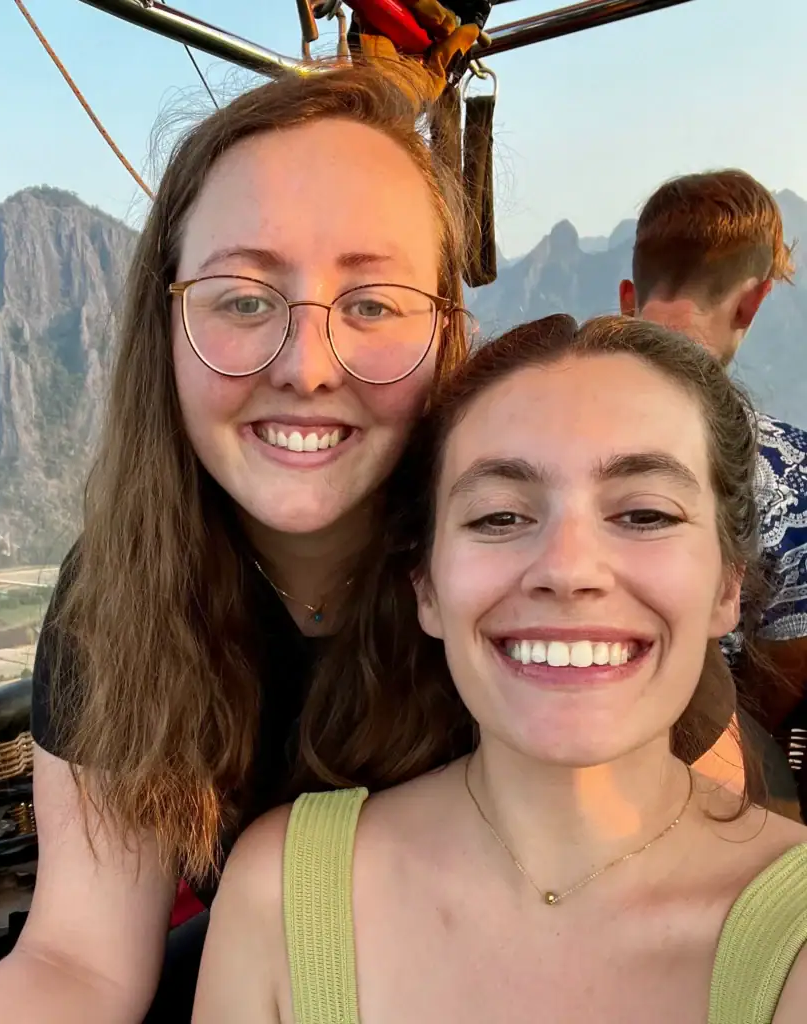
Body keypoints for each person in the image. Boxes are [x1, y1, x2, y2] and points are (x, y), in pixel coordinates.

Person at [0, 60, 477, 1024]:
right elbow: (80, 958)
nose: (308, 368)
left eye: (374, 303)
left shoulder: (528, 560)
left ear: (444, 332)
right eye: (241, 299)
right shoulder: (121, 594)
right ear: (167, 325)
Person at [193, 315, 807, 1024]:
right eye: (499, 518)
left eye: (643, 514)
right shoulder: (285, 892)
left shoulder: (791, 935)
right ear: (425, 584)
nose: (569, 569)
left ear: (727, 585)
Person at [620, 170, 807, 801]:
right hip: (715, 772)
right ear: (753, 303)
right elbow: (782, 679)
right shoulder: (793, 472)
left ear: (627, 295)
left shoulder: (521, 429)